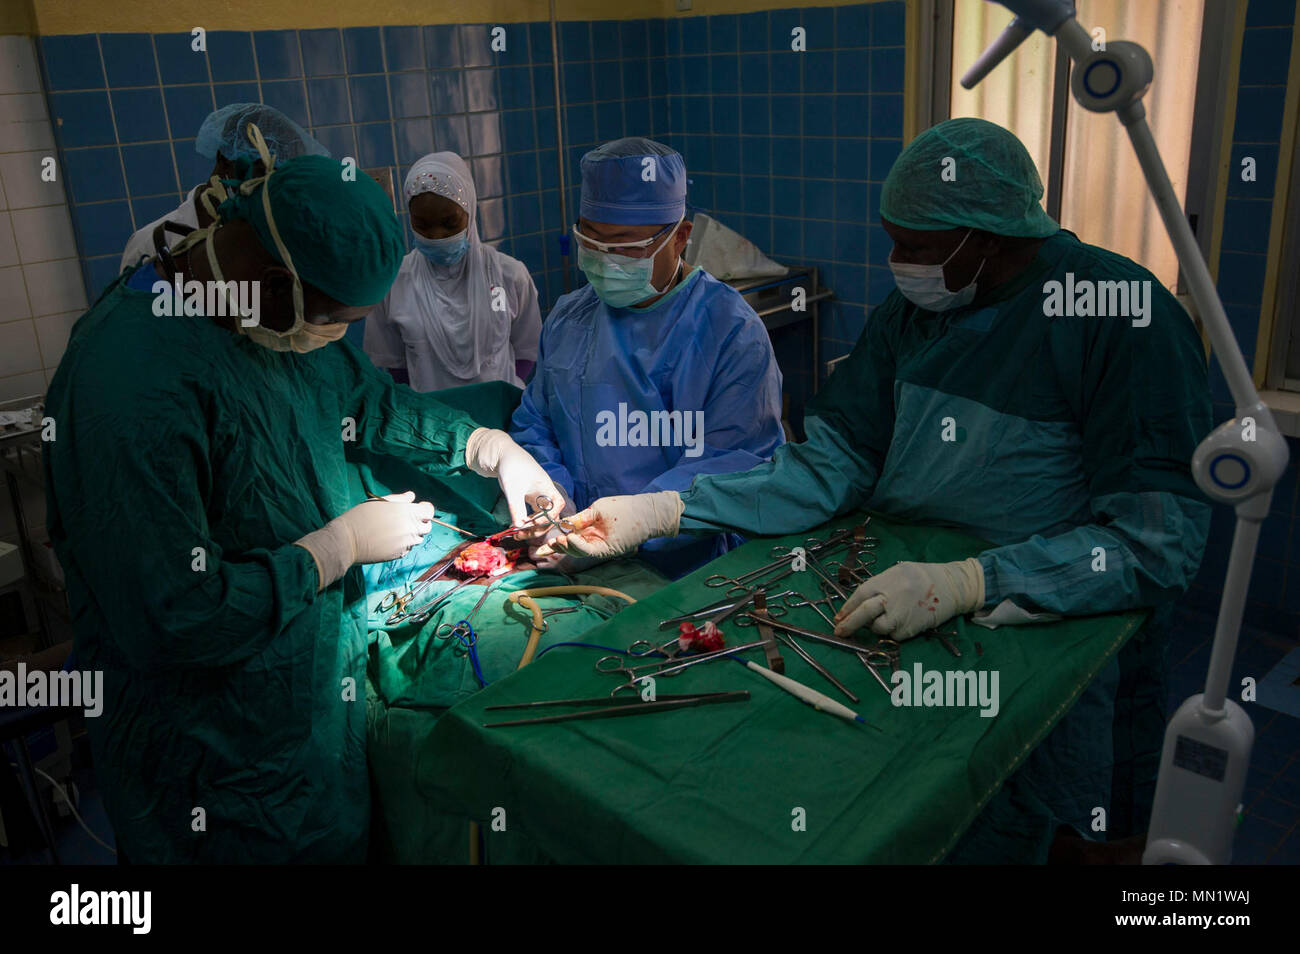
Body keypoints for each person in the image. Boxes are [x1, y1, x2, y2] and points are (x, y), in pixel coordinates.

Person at [540, 118, 1214, 862]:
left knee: (1067, 830)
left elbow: (1157, 544)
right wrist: (668, 508)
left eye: (917, 248)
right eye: (892, 240)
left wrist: (971, 580)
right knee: (914, 811)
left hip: (1056, 638)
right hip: (899, 600)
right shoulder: (921, 312)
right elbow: (830, 463)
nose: (897, 264)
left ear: (987, 236)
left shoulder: (1121, 315)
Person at [45, 124, 559, 864]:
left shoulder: (270, 323)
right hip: (210, 764)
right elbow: (174, 617)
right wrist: (333, 549)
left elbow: (369, 401)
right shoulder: (128, 385)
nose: (334, 337)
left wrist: (487, 449)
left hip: (310, 724)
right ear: (276, 277)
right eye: (334, 321)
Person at [510, 137, 785, 577]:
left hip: (686, 570)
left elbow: (737, 464)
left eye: (625, 247)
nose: (605, 260)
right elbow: (535, 423)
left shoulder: (729, 332)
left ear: (680, 238)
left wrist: (639, 523)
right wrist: (549, 500)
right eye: (591, 242)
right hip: (569, 553)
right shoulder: (568, 319)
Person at [363, 153, 541, 391]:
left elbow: (527, 348)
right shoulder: (395, 283)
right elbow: (393, 360)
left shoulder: (509, 276)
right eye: (423, 225)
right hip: (429, 420)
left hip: (500, 417)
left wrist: (506, 395)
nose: (436, 236)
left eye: (450, 223)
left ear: (469, 214)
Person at [118, 103, 328, 273]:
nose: (264, 190)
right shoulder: (150, 244)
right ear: (225, 158)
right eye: (259, 175)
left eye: (276, 182)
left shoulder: (274, 246)